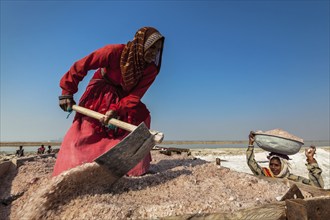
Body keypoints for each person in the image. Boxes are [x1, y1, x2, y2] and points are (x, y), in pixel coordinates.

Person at [53, 27, 165, 177]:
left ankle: (131, 168)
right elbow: (82, 65)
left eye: (158, 49)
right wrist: (67, 91)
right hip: (101, 89)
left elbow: (134, 96)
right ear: (141, 44)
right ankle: (74, 167)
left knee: (142, 116)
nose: (154, 53)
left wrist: (116, 110)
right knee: (88, 127)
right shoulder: (114, 52)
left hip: (124, 99)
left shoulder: (151, 70)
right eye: (151, 47)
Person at [246, 132, 324, 188]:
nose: (273, 167)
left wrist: (310, 159)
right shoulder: (265, 174)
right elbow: (251, 163)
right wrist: (251, 144)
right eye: (271, 164)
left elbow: (317, 186)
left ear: (283, 165)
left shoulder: (293, 179)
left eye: (276, 165)